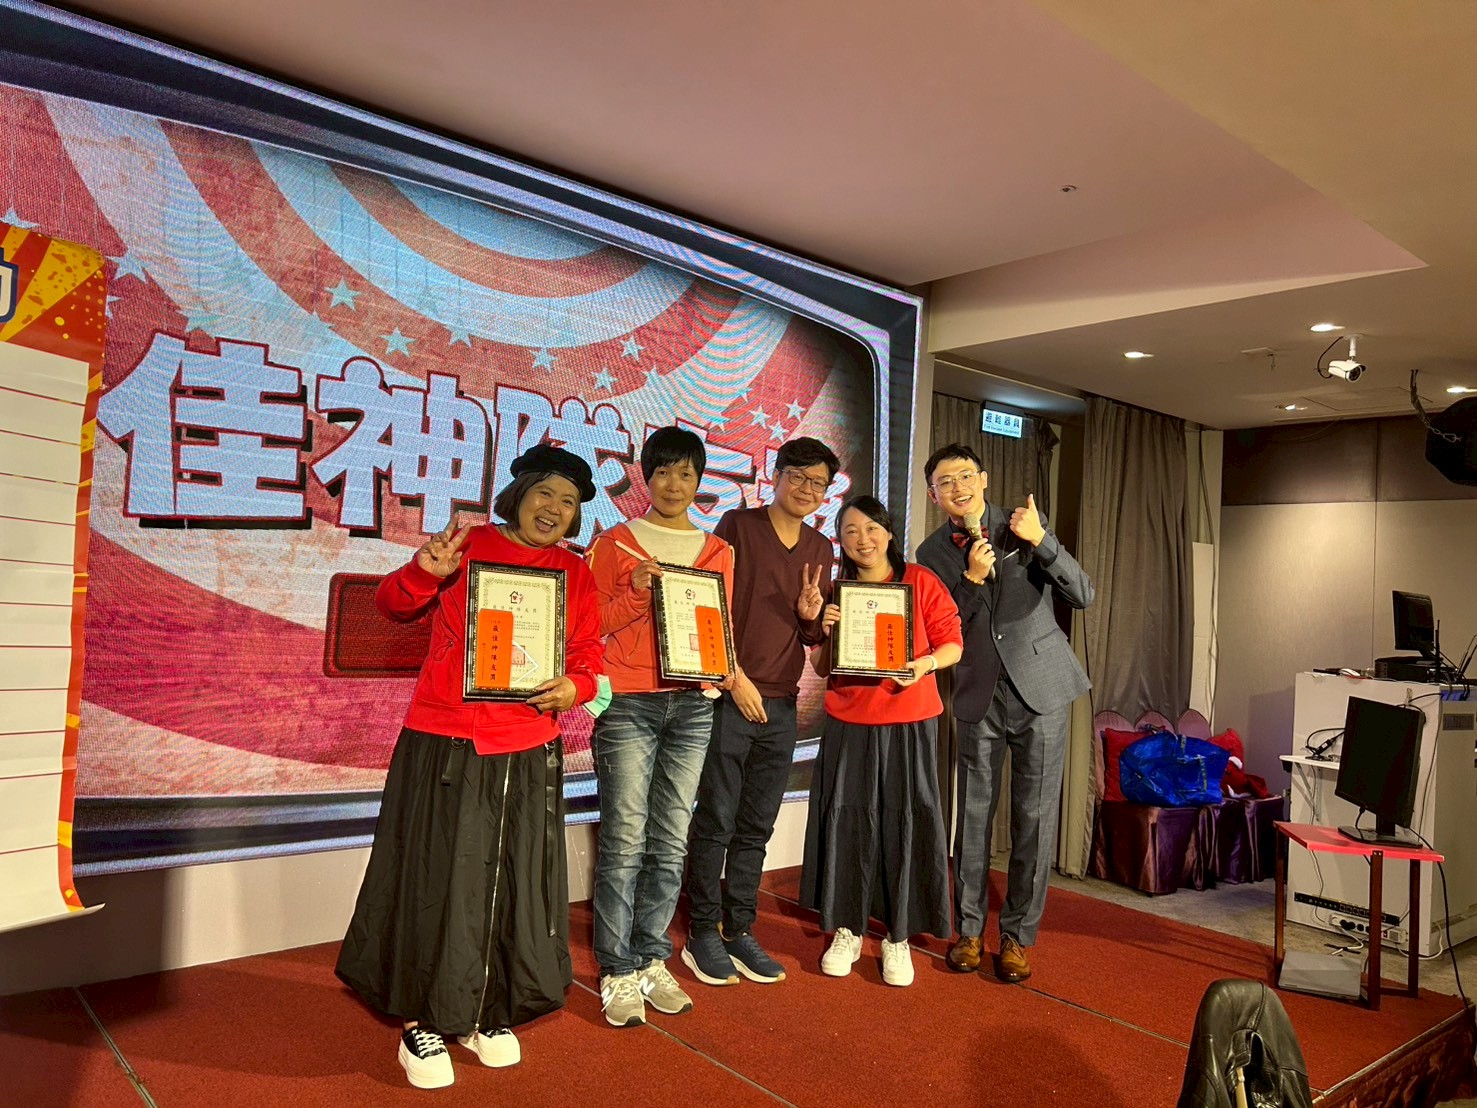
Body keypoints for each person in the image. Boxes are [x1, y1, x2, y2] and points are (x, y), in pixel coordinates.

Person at [335, 444, 604, 1090]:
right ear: (519, 495)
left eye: (568, 503)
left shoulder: (575, 572)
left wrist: (578, 686)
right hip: (446, 738)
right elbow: (393, 605)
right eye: (545, 493)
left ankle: (487, 1008)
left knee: (512, 882)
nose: (554, 509)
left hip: (529, 745)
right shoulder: (468, 544)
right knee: (435, 878)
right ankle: (422, 1018)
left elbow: (589, 656)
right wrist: (423, 572)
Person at [914, 443, 1094, 984]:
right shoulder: (930, 552)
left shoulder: (1023, 525)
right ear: (933, 495)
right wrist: (970, 579)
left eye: (965, 476)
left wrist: (1042, 541)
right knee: (972, 817)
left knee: (1034, 818)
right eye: (945, 482)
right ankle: (969, 931)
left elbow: (1082, 594)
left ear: (984, 479)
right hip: (978, 692)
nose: (958, 487)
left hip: (1042, 688)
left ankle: (1016, 936)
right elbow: (946, 625)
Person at [585, 427, 736, 1028]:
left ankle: (651, 957)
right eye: (664, 472)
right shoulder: (614, 543)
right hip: (627, 703)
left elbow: (719, 628)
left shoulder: (717, 551)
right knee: (624, 838)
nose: (675, 484)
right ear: (645, 477)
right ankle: (616, 967)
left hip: (693, 705)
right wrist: (636, 594)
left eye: (686, 474)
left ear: (699, 482)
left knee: (671, 839)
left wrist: (718, 674)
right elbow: (588, 624)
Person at [681, 436, 838, 986]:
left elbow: (811, 637)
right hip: (729, 695)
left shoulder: (821, 547)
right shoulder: (738, 526)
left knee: (755, 825)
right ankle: (702, 931)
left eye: (818, 483)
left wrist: (810, 616)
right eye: (798, 476)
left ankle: (738, 928)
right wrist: (734, 678)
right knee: (716, 819)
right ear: (776, 475)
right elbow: (708, 606)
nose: (807, 489)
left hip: (782, 704)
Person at [800, 495, 962, 987]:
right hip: (849, 723)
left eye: (871, 528)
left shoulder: (921, 581)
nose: (862, 539)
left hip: (909, 723)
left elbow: (952, 643)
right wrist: (822, 629)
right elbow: (822, 668)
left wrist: (925, 664)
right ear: (841, 542)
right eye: (850, 531)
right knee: (847, 823)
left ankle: (898, 935)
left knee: (904, 824)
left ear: (889, 533)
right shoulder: (836, 591)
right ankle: (847, 929)